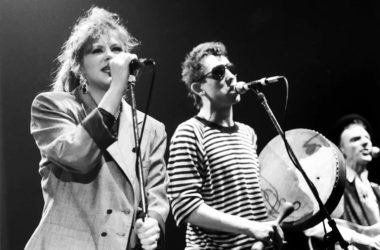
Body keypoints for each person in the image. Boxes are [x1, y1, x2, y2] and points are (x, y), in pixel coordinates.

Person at [26, 6, 169, 250]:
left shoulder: (152, 128)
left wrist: (154, 222)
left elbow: (156, 193)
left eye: (116, 49)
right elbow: (77, 156)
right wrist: (116, 90)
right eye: (97, 50)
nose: (109, 57)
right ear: (78, 67)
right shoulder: (52, 106)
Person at [167, 41, 284, 250]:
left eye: (230, 69)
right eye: (219, 72)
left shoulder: (248, 134)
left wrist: (266, 226)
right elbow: (184, 206)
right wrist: (250, 228)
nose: (230, 76)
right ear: (198, 88)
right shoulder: (190, 133)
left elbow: (247, 200)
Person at [305, 114, 380, 250]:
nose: (365, 143)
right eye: (355, 139)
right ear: (341, 150)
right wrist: (359, 239)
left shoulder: (377, 190)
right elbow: (311, 227)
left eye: (367, 138)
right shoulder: (331, 186)